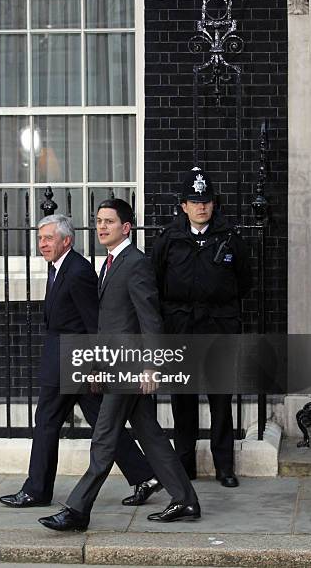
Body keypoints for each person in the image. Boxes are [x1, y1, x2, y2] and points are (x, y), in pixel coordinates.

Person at [38, 199, 200, 531]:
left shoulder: (136, 263)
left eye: (109, 222)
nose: (101, 227)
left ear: (126, 227)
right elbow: (108, 324)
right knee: (150, 435)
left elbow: (150, 318)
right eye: (98, 221)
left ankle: (78, 509)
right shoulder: (109, 263)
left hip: (130, 367)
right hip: (113, 364)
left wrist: (152, 366)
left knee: (104, 437)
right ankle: (185, 499)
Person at [0, 214, 161, 509]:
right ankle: (145, 475)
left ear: (67, 241)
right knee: (103, 422)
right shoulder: (59, 267)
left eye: (49, 238)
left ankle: (36, 490)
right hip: (66, 361)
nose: (42, 244)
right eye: (40, 238)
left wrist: (95, 367)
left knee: (47, 421)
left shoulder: (77, 272)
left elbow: (93, 323)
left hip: (74, 362)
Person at [152, 167, 252, 488]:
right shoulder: (169, 240)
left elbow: (245, 281)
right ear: (183, 206)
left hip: (217, 329)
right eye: (195, 201)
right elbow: (155, 283)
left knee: (221, 399)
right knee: (183, 401)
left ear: (213, 204)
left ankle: (224, 467)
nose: (201, 207)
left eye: (206, 201)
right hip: (180, 330)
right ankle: (185, 465)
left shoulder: (230, 238)